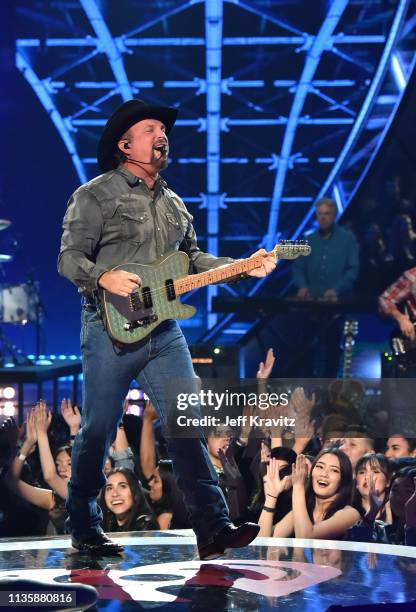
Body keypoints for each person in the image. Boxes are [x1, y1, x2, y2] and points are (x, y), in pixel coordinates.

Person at [57, 98, 276, 557]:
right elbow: (68, 258)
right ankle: (83, 524)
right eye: (151, 128)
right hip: (108, 330)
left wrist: (243, 266)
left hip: (162, 332)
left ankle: (213, 527)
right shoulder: (94, 194)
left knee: (188, 422)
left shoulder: (174, 202)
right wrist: (103, 276)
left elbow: (194, 260)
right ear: (125, 143)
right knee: (97, 429)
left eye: (164, 129)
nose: (162, 135)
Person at [258, 449, 360, 539]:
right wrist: (271, 497)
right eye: (320, 467)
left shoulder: (350, 514)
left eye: (334, 470)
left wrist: (298, 485)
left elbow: (306, 539)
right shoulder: (303, 511)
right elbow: (262, 543)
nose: (324, 474)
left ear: (343, 479)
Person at [292, 198, 359, 300]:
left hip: (340, 301)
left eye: (327, 214)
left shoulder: (348, 239)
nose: (323, 217)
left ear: (334, 216)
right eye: (320, 214)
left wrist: (337, 289)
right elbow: (298, 268)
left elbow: (353, 269)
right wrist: (302, 286)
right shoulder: (308, 240)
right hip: (312, 302)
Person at [100, 467, 158, 532]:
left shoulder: (145, 526)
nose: (115, 494)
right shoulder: (108, 523)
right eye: (109, 488)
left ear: (135, 492)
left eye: (122, 486)